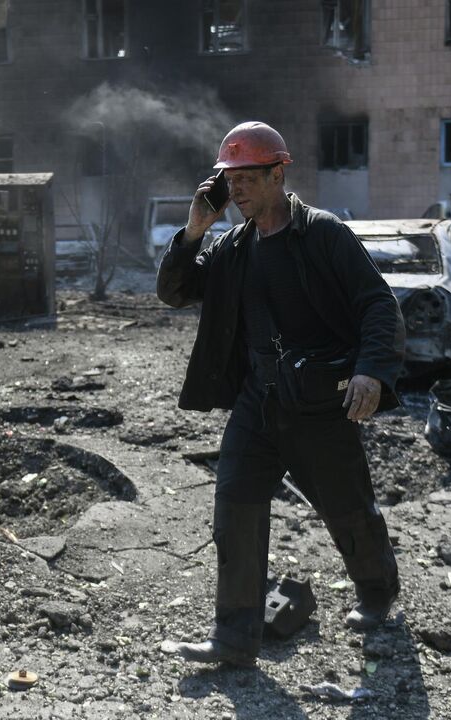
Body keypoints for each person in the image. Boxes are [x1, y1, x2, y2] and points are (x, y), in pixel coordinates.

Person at [156, 121, 405, 667]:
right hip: (259, 401)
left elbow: (378, 304)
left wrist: (371, 370)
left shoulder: (323, 234)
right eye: (229, 179)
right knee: (236, 508)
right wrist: (195, 229)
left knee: (347, 510)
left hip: (320, 405)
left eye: (247, 178)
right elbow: (174, 292)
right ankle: (235, 639)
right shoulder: (231, 248)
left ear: (277, 174)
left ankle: (377, 591)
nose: (236, 189)